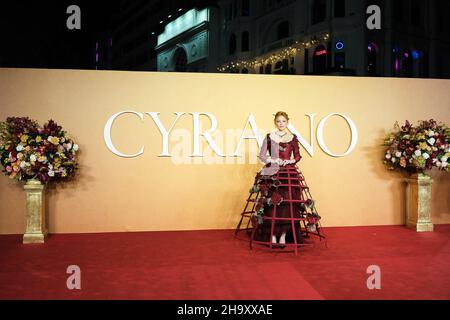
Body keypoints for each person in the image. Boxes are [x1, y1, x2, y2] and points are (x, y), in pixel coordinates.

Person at [254, 111, 304, 248]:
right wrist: (274, 159)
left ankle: (282, 235)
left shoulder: (292, 138)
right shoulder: (269, 137)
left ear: (287, 122)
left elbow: (298, 156)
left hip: (288, 174)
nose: (281, 124)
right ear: (275, 122)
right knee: (273, 204)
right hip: (273, 173)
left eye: (283, 121)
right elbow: (262, 156)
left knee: (288, 205)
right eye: (278, 121)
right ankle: (273, 235)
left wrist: (289, 161)